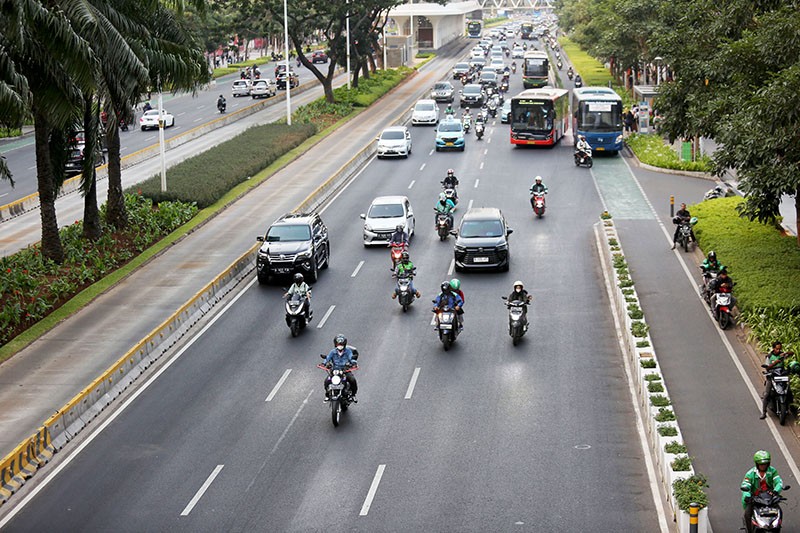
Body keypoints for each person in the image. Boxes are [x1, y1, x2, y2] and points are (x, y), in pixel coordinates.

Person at [741, 450, 783, 527]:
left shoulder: (773, 471)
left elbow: (778, 482)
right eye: (761, 464)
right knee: (747, 514)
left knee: (779, 511)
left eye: (765, 464)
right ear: (757, 464)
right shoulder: (750, 474)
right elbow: (745, 485)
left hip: (769, 497)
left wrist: (776, 491)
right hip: (755, 498)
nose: (763, 466)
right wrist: (747, 496)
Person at [323, 334, 358, 401]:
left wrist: (353, 363)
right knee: (327, 381)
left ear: (344, 344)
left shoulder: (348, 351)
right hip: (335, 370)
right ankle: (327, 394)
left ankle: (353, 395)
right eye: (338, 344)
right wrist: (324, 363)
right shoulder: (332, 352)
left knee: (352, 380)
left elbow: (351, 357)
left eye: (341, 344)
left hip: (345, 370)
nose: (340, 346)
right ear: (335, 344)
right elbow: (328, 358)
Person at [760, 342, 786, 419]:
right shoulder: (769, 356)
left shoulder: (782, 354)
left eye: (779, 349)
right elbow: (767, 368)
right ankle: (764, 412)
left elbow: (792, 353)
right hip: (772, 376)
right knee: (766, 394)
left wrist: (787, 353)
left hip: (781, 376)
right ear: (774, 348)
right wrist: (775, 363)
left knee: (788, 391)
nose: (778, 350)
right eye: (777, 349)